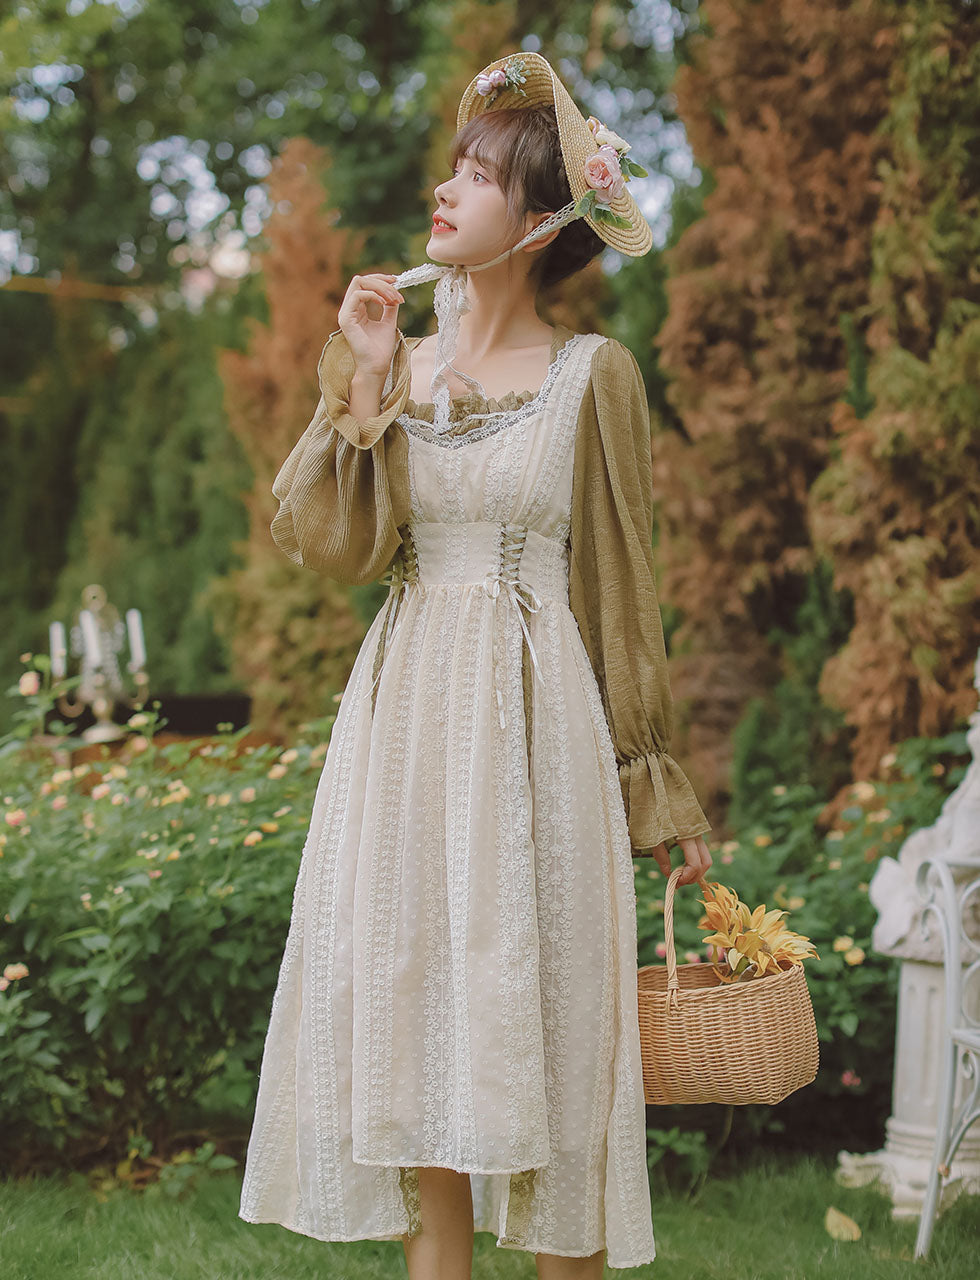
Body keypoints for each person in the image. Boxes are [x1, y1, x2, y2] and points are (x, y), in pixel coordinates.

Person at [238, 50, 712, 1279]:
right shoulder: (402, 373)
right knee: (412, 1041)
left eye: (480, 174)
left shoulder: (589, 378)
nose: (444, 189)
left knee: (554, 1048)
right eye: (451, 166)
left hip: (534, 735)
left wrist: (649, 781)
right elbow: (330, 541)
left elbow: (619, 586)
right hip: (401, 738)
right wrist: (367, 376)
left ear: (544, 218)